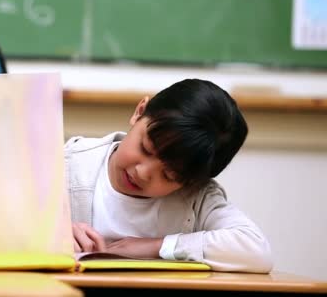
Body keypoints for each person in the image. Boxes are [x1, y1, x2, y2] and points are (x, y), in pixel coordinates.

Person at [66, 78, 273, 273]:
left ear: (191, 183)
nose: (143, 173)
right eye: (146, 148)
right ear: (139, 112)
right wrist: (51, 235)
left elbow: (257, 251)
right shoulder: (67, 164)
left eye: (169, 175)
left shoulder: (196, 199)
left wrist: (157, 247)